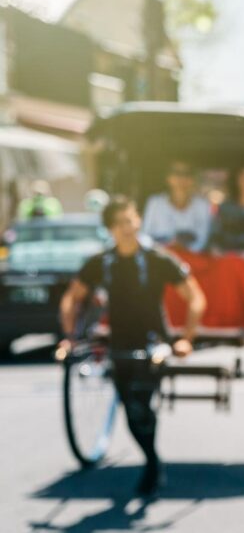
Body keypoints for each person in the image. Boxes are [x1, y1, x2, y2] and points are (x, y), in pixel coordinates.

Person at [57, 196, 206, 497]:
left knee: (139, 406)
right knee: (131, 405)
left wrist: (186, 339)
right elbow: (72, 297)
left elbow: (195, 297)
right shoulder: (103, 262)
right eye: (119, 224)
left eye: (130, 220)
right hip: (119, 343)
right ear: (110, 229)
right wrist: (69, 336)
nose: (127, 228)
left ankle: (151, 464)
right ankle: (152, 459)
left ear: (138, 221)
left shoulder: (157, 259)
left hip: (153, 342)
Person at [142, 160, 212, 252]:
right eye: (177, 173)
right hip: (159, 257)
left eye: (187, 174)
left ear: (193, 179)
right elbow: (144, 236)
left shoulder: (203, 206)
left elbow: (202, 241)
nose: (182, 178)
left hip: (191, 260)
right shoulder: (155, 203)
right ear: (168, 177)